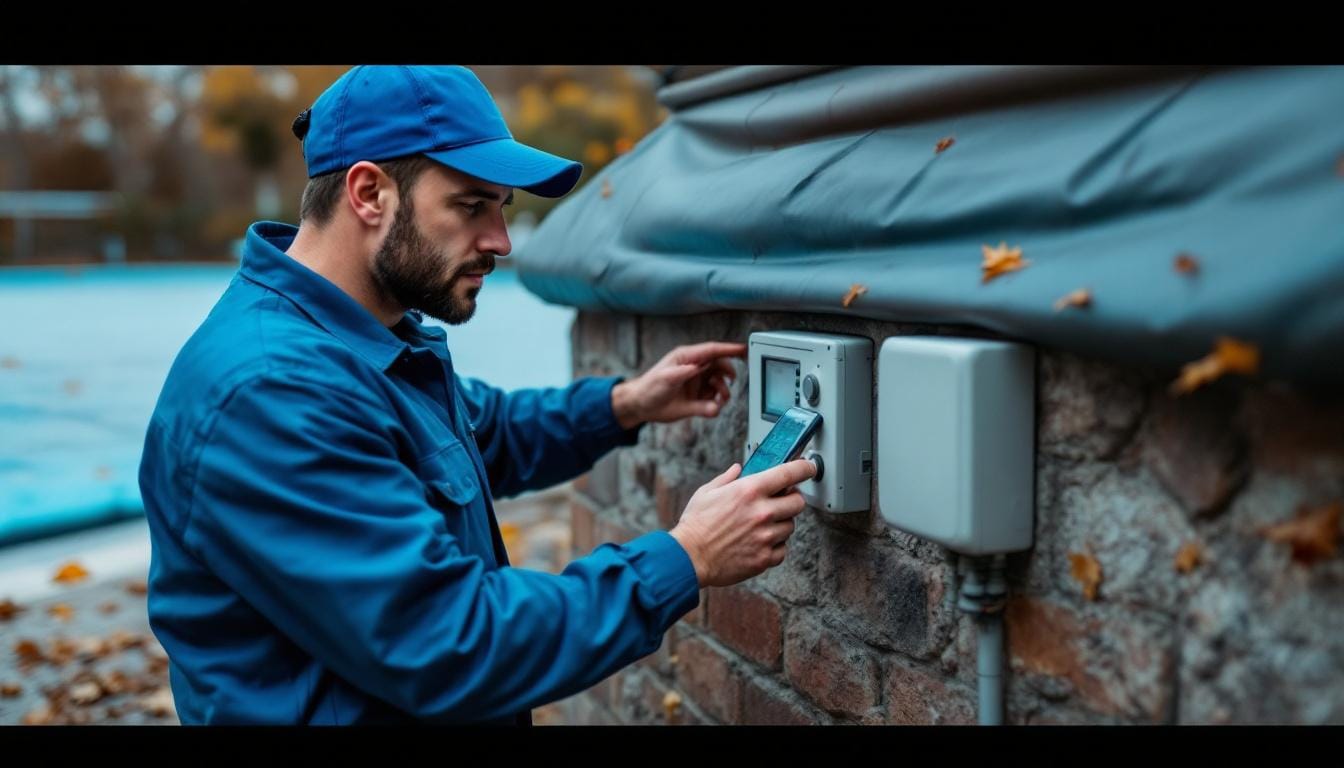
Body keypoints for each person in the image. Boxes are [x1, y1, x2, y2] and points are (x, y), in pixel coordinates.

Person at [138, 65, 815, 724]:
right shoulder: (273, 393)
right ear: (369, 194)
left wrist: (626, 403)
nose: (501, 241)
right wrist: (686, 556)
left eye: (501, 208)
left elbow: (481, 431)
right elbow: (451, 644)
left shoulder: (359, 341)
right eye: (470, 206)